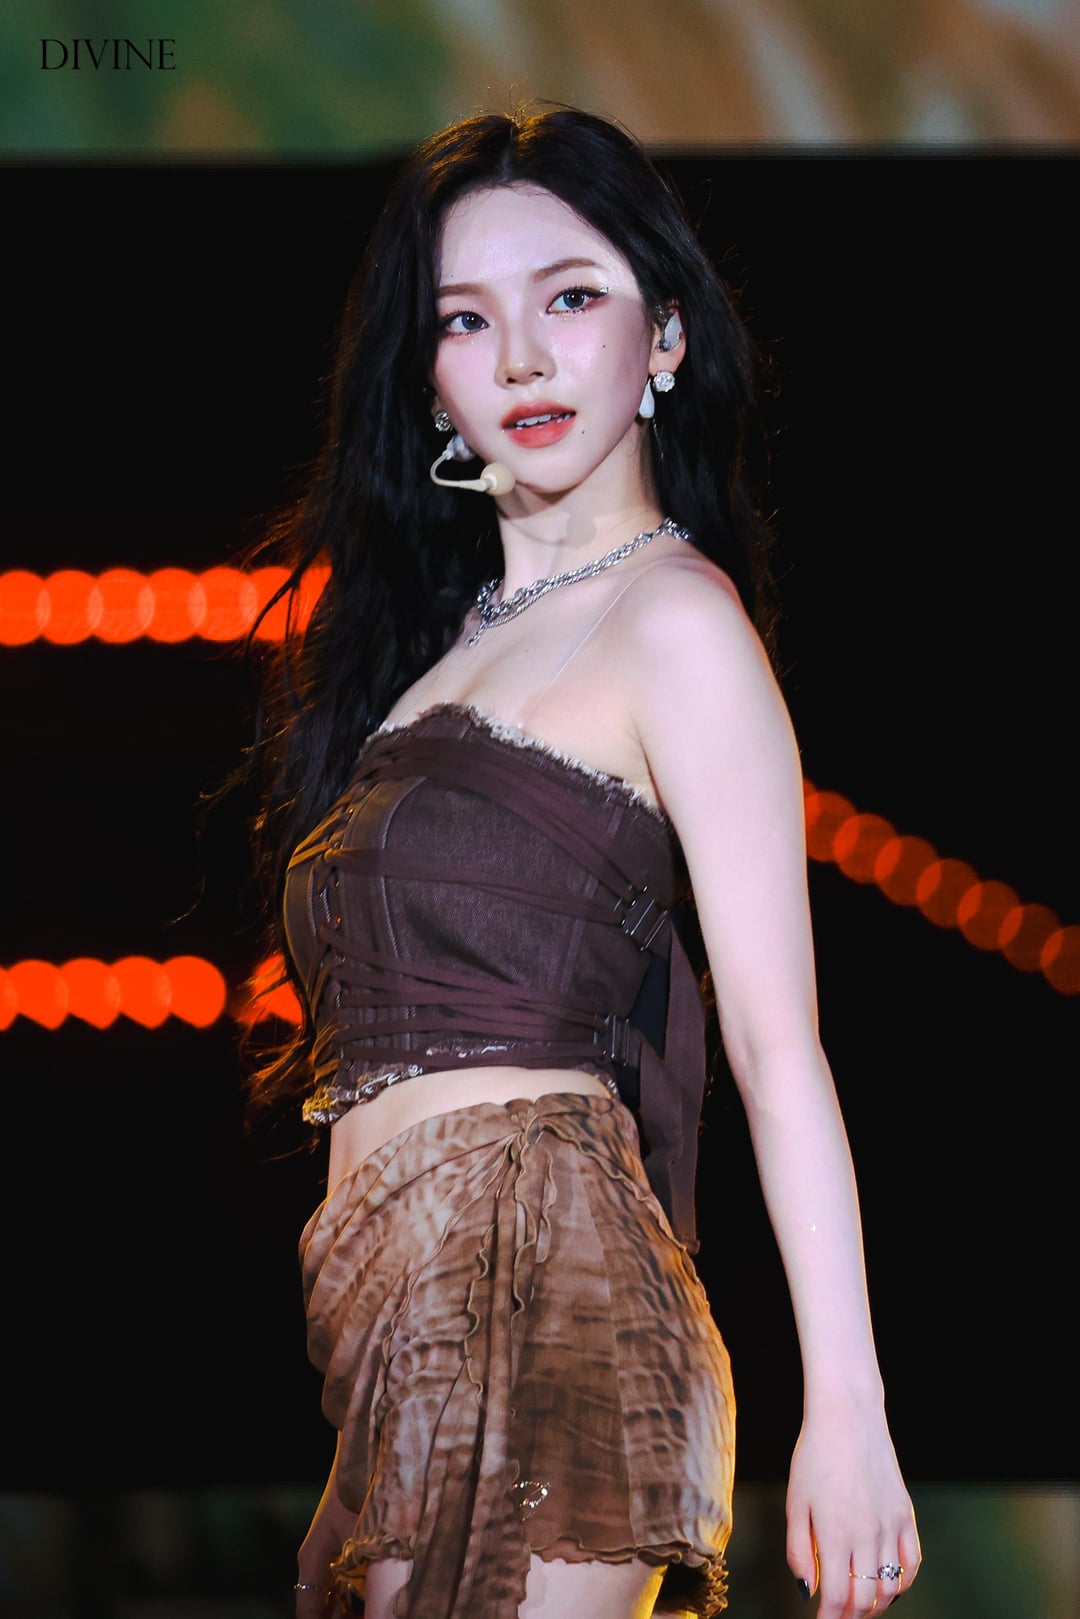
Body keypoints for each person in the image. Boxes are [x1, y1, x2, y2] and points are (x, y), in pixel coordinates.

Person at [234, 104, 921, 1619]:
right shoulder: (423, 670)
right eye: (466, 320)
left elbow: (779, 1050)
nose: (524, 359)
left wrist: (849, 1410)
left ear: (663, 336)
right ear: (427, 372)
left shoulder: (676, 625)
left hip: (554, 1295)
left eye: (571, 296)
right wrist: (360, 1462)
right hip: (392, 1339)